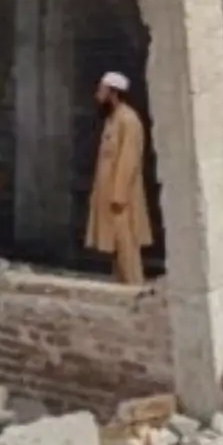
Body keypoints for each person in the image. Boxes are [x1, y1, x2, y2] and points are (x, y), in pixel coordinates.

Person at [86, 72, 152, 285]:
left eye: (102, 90)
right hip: (108, 195)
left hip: (121, 199)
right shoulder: (112, 119)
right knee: (115, 246)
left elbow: (129, 159)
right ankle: (122, 288)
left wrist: (119, 194)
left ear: (113, 93)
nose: (98, 95)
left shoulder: (128, 120)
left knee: (126, 245)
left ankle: (134, 287)